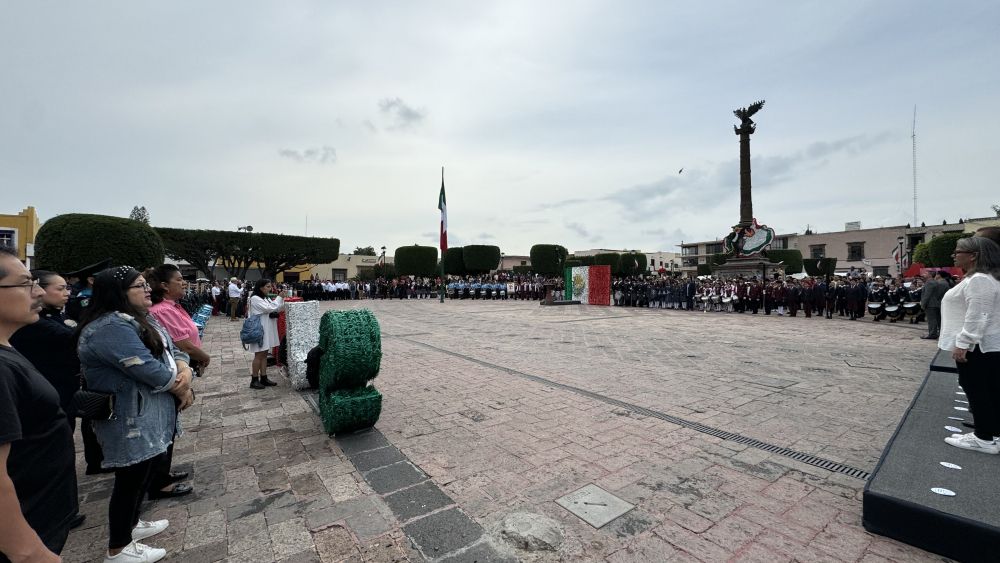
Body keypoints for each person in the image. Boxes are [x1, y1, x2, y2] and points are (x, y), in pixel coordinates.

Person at [77, 266, 194, 562]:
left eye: (146, 284)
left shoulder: (143, 317)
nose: (147, 290)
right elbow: (146, 368)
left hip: (151, 410)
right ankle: (118, 548)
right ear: (118, 293)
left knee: (144, 472)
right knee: (130, 478)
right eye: (139, 286)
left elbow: (174, 350)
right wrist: (181, 387)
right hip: (129, 415)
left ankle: (131, 524)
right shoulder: (109, 328)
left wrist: (184, 369)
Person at [0, 247, 76, 563]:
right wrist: (28, 551)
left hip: (42, 514)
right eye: (26, 283)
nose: (38, 292)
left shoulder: (9, 350)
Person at [146, 264, 206, 500]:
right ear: (164, 286)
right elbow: (181, 343)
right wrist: (204, 357)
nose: (184, 283)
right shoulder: (161, 311)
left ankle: (163, 473)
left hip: (181, 368)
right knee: (165, 422)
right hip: (173, 373)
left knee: (170, 422)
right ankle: (158, 481)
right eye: (179, 279)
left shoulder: (172, 307)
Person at [940, 237, 1000, 454]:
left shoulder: (980, 280)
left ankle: (984, 437)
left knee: (977, 389)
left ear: (973, 255)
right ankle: (992, 434)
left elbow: (978, 315)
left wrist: (964, 342)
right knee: (990, 390)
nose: (954, 255)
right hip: (985, 346)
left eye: (958, 251)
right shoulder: (984, 278)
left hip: (977, 347)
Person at [246, 279, 284, 390]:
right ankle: (254, 379)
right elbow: (270, 308)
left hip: (265, 329)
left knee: (264, 354)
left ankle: (263, 377)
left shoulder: (264, 298)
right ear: (261, 287)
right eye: (267, 286)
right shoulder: (255, 298)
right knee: (259, 355)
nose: (270, 289)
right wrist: (279, 297)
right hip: (259, 330)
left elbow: (275, 307)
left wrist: (279, 300)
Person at [920, 271, 950, 339]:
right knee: (936, 319)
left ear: (930, 275)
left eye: (926, 273)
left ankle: (932, 334)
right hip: (935, 304)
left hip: (930, 304)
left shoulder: (930, 282)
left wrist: (923, 304)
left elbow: (927, 294)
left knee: (932, 320)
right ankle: (935, 333)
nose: (923, 274)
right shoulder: (935, 282)